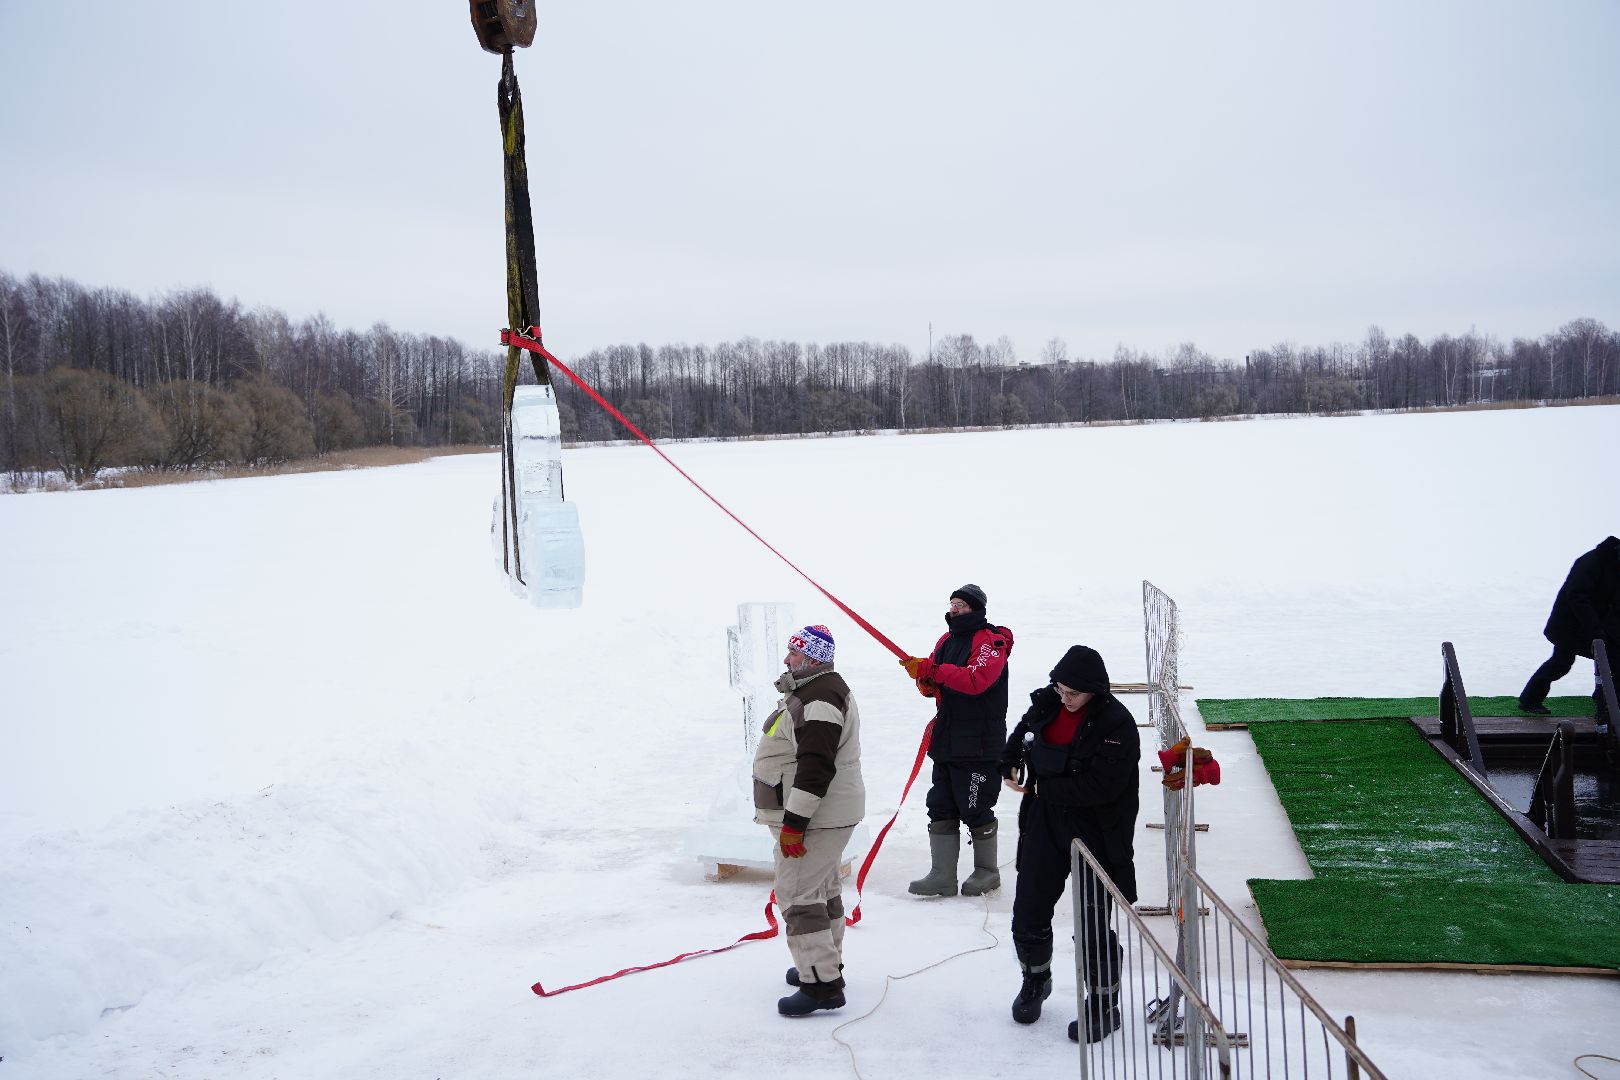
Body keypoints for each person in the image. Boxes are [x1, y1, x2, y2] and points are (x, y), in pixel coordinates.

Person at [1001, 645, 1140, 1044]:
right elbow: (1020, 737)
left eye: (1072, 694)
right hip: (1044, 822)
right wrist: (1008, 763)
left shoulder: (1116, 724)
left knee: (1092, 923)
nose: (1064, 698)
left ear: (1094, 690)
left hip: (1094, 830)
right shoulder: (1048, 703)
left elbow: (1103, 785)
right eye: (1060, 689)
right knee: (1028, 910)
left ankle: (1103, 1004)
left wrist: (1041, 784)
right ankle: (1035, 980)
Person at [752, 623, 866, 1017]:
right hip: (825, 814)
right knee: (821, 889)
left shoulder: (819, 698)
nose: (787, 659)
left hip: (816, 817)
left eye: (795, 654)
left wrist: (794, 824)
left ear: (814, 657)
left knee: (798, 895)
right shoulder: (816, 690)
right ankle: (824, 963)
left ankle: (821, 985)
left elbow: (816, 766)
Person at [900, 584, 1015, 897]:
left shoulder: (991, 642)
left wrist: (932, 670)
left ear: (976, 608)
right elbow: (936, 686)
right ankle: (942, 875)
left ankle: (987, 872)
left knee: (975, 807)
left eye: (961, 604)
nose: (955, 609)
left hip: (979, 743)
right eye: (952, 604)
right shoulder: (946, 640)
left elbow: (976, 680)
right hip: (947, 740)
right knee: (940, 805)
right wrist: (923, 679)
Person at [1518, 536, 1620, 729]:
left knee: (1611, 659)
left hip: (1595, 623)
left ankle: (1605, 699)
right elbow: (1577, 598)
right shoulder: (1590, 562)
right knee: (1561, 662)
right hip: (1570, 624)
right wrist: (1595, 630)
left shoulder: (1613, 564)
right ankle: (1529, 699)